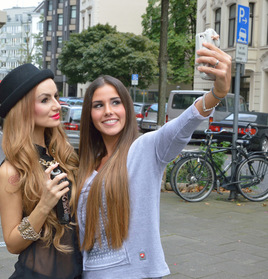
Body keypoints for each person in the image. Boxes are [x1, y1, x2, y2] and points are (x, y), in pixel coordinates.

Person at [76, 42, 232, 278]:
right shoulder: (85, 165)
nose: (108, 110)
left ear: (127, 108)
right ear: (90, 114)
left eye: (115, 102)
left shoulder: (145, 148)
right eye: (99, 105)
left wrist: (216, 94)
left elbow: (182, 125)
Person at [0, 63, 82, 279]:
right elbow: (12, 244)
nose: (57, 105)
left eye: (56, 96)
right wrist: (43, 205)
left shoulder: (64, 154)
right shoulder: (11, 171)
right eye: (45, 100)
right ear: (23, 109)